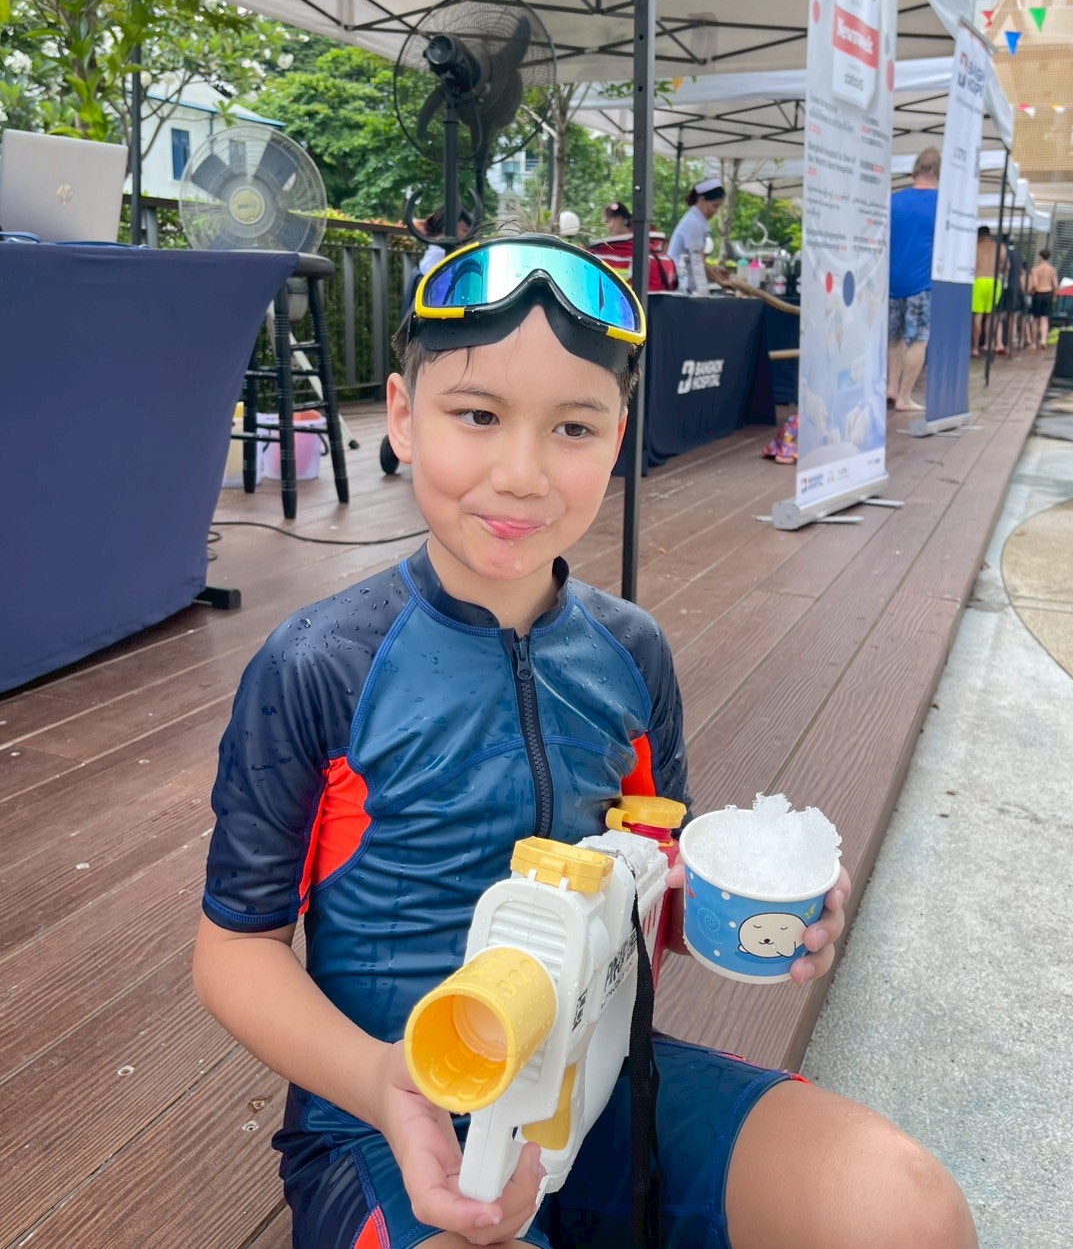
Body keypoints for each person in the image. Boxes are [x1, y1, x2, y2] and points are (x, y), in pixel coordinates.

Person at [193, 235, 978, 1249]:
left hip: (599, 1084)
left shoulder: (631, 652)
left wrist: (744, 905)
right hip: (388, 1109)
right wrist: (381, 1079)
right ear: (402, 417)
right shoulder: (319, 665)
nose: (520, 474)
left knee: (903, 1209)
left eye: (571, 426)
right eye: (477, 415)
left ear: (616, 440)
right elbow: (234, 949)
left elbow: (650, 887)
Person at [887, 148, 940, 412]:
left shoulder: (893, 201)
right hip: (922, 282)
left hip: (892, 281)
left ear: (914, 171)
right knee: (919, 338)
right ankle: (904, 397)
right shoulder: (941, 204)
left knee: (894, 336)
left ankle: (891, 388)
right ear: (938, 173)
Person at [403, 206, 473, 315]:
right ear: (448, 226)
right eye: (464, 229)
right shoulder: (439, 255)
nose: (468, 230)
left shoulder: (435, 253)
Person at [667, 178, 724, 294]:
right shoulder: (694, 222)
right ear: (702, 200)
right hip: (680, 282)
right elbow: (697, 261)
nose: (716, 211)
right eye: (714, 206)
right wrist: (720, 282)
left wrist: (716, 273)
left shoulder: (697, 220)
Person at [972, 225, 1006, 359]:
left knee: (978, 315)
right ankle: (987, 344)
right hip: (994, 281)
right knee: (990, 316)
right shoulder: (999, 247)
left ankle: (975, 348)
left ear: (979, 235)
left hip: (979, 280)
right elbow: (1006, 266)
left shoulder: (975, 247)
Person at [1028, 245, 1058, 350]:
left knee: (1035, 319)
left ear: (1040, 257)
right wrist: (1055, 296)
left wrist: (1030, 291)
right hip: (1048, 293)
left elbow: (1035, 284)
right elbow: (1055, 285)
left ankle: (1033, 343)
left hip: (1038, 294)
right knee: (1044, 319)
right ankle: (1043, 340)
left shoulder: (1035, 269)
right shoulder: (1052, 270)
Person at [1000, 234, 1026, 353]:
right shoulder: (1018, 254)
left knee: (998, 316)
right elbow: (1021, 273)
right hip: (1016, 287)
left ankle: (999, 342)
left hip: (1005, 286)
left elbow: (1005, 268)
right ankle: (1010, 344)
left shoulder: (1004, 252)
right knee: (1012, 317)